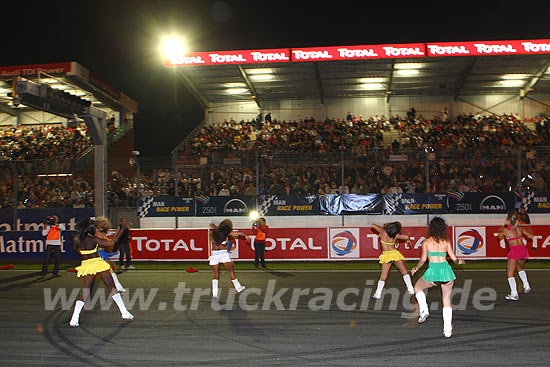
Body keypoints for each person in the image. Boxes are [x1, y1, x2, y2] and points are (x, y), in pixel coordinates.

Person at [69, 217, 133, 327]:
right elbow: (111, 242)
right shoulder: (92, 239)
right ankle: (124, 312)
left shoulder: (77, 240)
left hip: (86, 265)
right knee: (112, 288)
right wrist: (121, 231)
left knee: (85, 294)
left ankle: (74, 318)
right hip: (98, 264)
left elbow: (79, 251)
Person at [411, 217, 465, 338]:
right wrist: (459, 261)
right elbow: (454, 258)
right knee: (446, 300)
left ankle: (424, 309)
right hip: (446, 271)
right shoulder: (446, 241)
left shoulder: (426, 242)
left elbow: (423, 259)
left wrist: (416, 268)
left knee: (418, 287)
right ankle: (447, 330)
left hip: (434, 271)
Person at [497, 210, 535, 301]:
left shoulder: (506, 230)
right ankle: (526, 285)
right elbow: (531, 236)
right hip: (523, 249)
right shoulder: (520, 229)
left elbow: (498, 237)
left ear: (508, 219)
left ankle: (514, 294)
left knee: (510, 273)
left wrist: (505, 228)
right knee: (520, 267)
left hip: (514, 250)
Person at [371, 222, 414, 299]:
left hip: (386, 255)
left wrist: (385, 226)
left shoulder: (382, 231)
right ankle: (411, 289)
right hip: (394, 254)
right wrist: (407, 239)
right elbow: (406, 236)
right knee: (404, 272)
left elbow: (373, 225)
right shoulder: (395, 235)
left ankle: (378, 293)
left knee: (383, 276)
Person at [209, 219, 246, 298]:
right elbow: (239, 233)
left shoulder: (213, 232)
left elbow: (213, 240)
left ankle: (215, 293)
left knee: (215, 275)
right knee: (231, 271)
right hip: (223, 253)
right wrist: (246, 235)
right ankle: (238, 287)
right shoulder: (226, 233)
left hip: (214, 254)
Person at [94, 216, 127, 293]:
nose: (106, 226)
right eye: (104, 224)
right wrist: (117, 235)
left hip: (101, 253)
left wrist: (115, 236)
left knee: (109, 270)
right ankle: (117, 287)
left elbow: (109, 242)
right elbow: (109, 243)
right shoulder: (98, 233)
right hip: (99, 253)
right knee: (107, 270)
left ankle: (118, 286)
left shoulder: (98, 233)